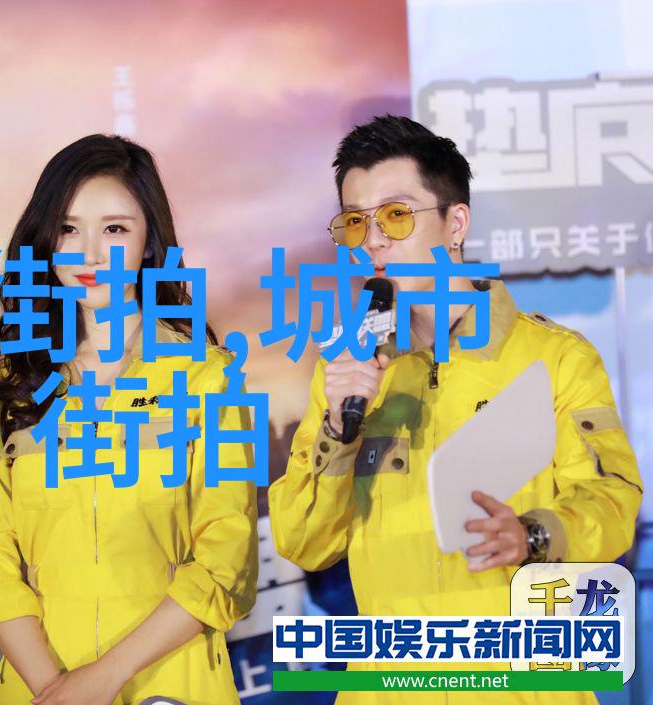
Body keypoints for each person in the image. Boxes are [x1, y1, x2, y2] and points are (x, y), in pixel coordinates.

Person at [268, 115, 643, 705]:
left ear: (456, 222)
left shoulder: (555, 358)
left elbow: (614, 500)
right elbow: (304, 543)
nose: (373, 241)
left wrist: (533, 534)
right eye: (356, 222)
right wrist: (340, 428)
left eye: (396, 214)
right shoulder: (346, 370)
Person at [0, 134, 258, 705]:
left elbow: (225, 557)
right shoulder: (12, 391)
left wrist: (101, 679)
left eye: (115, 229)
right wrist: (55, 691)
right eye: (68, 229)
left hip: (171, 684)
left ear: (149, 240)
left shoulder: (208, 379)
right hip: (39, 686)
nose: (89, 254)